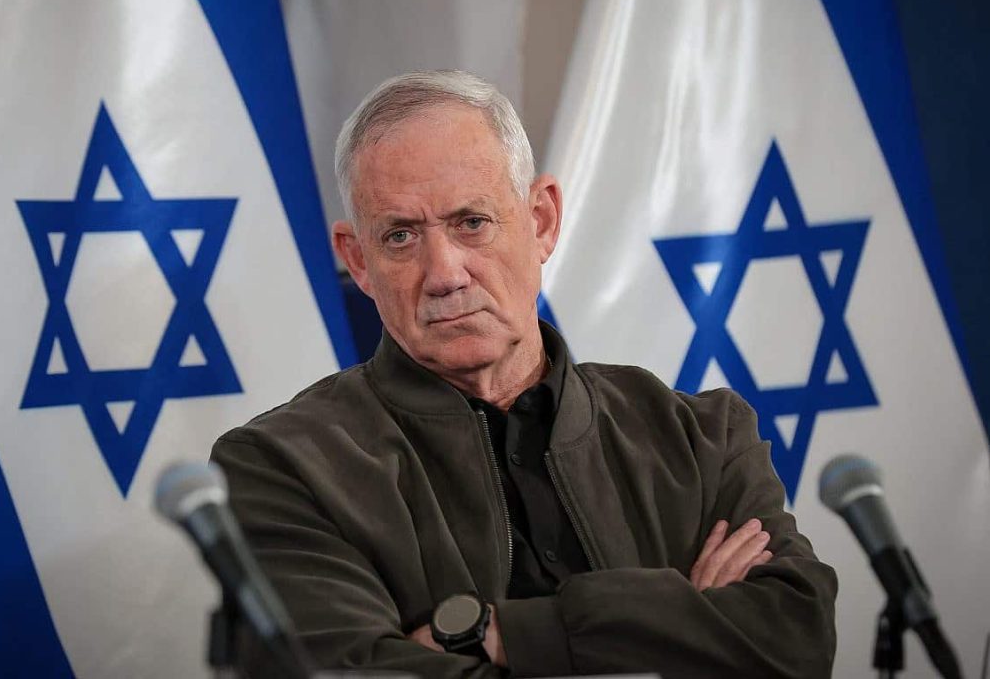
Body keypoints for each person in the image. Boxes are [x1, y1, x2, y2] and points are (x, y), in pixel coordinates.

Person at [211, 70, 837, 678]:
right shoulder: (282, 467)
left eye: (471, 222)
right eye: (401, 236)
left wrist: (499, 634)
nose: (444, 274)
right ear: (358, 260)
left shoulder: (702, 439)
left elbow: (794, 641)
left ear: (541, 220)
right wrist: (681, 622)